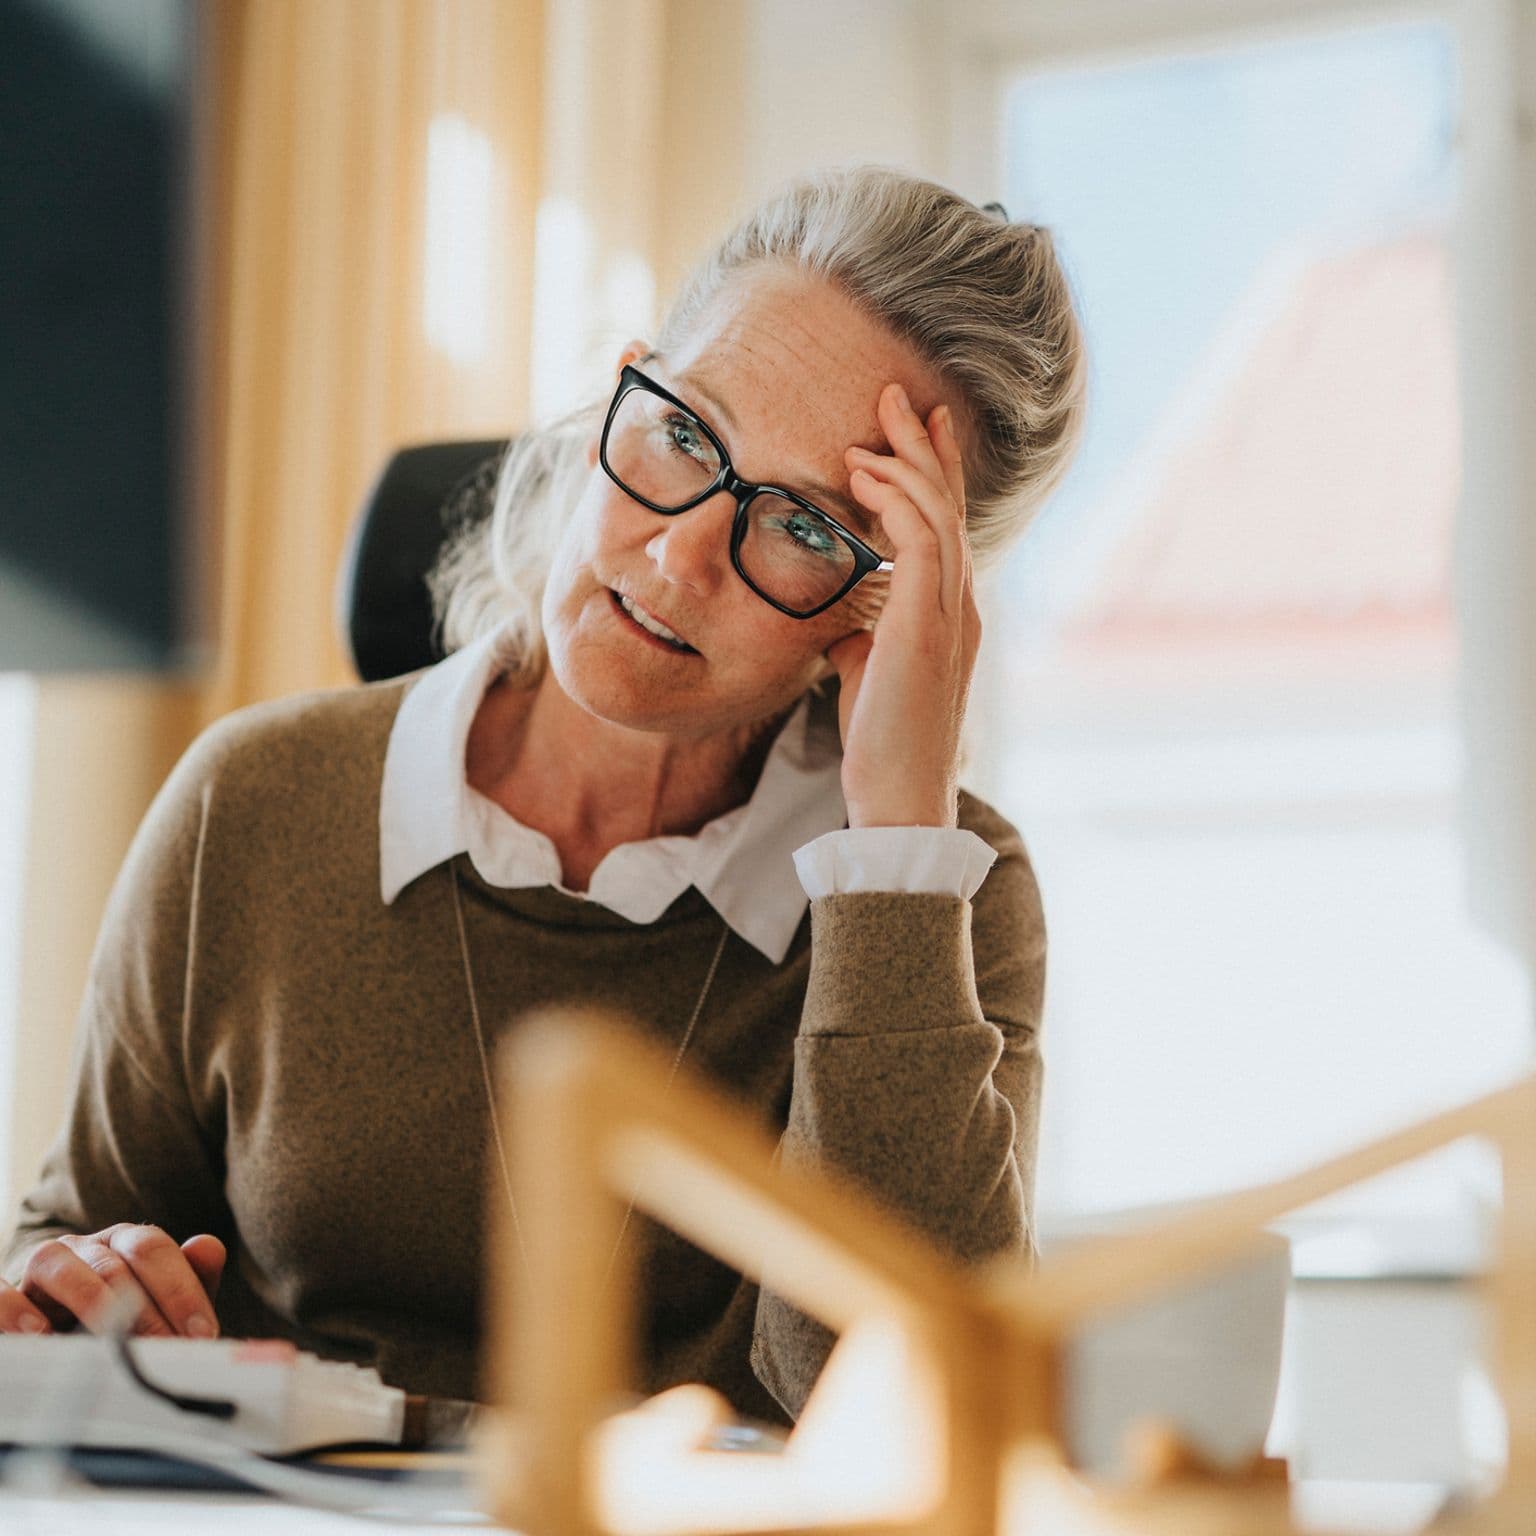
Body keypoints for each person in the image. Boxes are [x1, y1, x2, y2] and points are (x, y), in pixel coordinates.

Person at [0, 166, 1085, 1425]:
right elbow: (70, 1251)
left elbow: (908, 1408)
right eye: (682, 433)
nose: (680, 555)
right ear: (610, 401)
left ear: (898, 607)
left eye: (803, 525)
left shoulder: (948, 886)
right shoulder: (252, 801)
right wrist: (67, 1292)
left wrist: (896, 843)